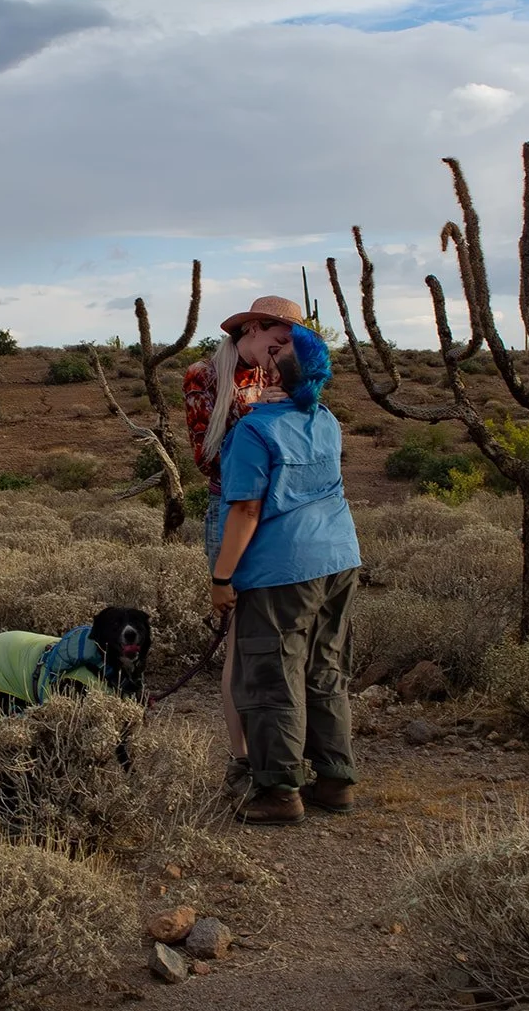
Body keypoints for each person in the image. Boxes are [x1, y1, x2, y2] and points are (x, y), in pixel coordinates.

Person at [206, 324, 361, 826]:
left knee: (273, 675)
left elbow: (246, 510)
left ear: (277, 370)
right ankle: (335, 779)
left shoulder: (253, 430)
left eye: (280, 350)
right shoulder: (327, 420)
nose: (271, 351)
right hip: (338, 558)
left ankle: (279, 790)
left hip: (281, 569)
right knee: (323, 667)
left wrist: (222, 577)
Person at [183, 295, 302, 795]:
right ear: (252, 329)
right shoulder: (203, 376)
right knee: (237, 637)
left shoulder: (269, 376)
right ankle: (241, 757)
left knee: (270, 633)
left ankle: (278, 752)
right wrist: (258, 421)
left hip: (273, 512)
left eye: (287, 348)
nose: (279, 355)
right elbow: (206, 458)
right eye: (276, 342)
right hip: (230, 509)